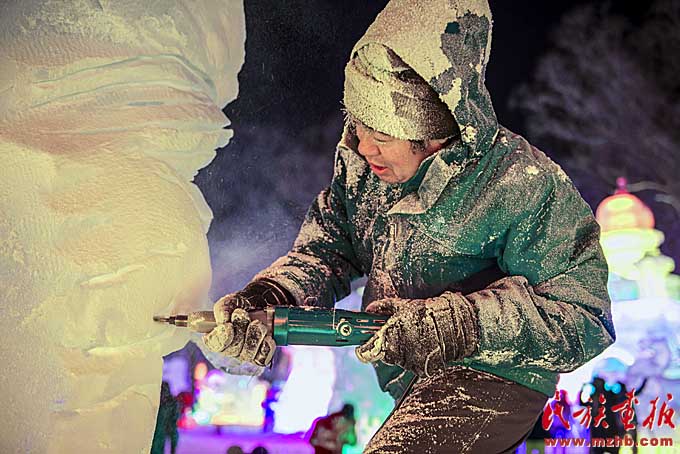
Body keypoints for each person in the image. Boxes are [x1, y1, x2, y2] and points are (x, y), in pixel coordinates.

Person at [203, 0, 615, 451]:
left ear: (436, 130)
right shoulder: (364, 173)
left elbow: (583, 316)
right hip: (412, 378)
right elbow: (327, 251)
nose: (363, 148)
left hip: (496, 372)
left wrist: (461, 324)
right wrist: (269, 299)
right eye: (357, 126)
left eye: (381, 135)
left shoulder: (519, 183)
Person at [150, 382, 180, 454]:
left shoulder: (170, 403)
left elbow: (173, 422)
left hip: (161, 430)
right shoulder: (157, 402)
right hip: (158, 431)